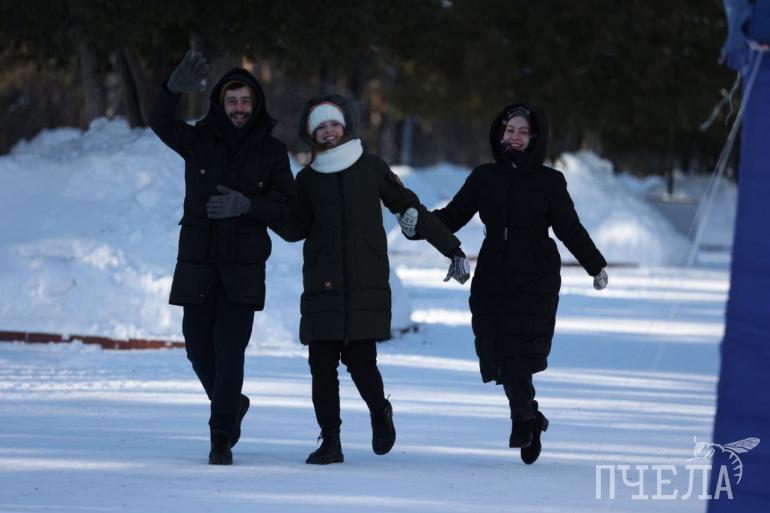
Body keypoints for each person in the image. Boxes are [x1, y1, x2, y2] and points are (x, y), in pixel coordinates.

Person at [401, 102, 608, 465]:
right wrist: (418, 227)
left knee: (517, 350)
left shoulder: (549, 182)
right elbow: (452, 216)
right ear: (500, 134)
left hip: (536, 273)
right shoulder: (484, 177)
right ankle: (531, 416)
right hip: (494, 269)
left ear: (535, 138)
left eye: (523, 132)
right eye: (510, 130)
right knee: (497, 352)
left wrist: (595, 265)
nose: (515, 137)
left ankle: (522, 420)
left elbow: (570, 229)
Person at [274, 94, 469, 465]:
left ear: (345, 126)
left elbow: (410, 208)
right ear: (311, 134)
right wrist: (266, 205)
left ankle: (380, 411)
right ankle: (331, 441)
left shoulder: (371, 167)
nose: (328, 132)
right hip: (323, 283)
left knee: (361, 361)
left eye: (333, 124)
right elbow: (294, 229)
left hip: (366, 280)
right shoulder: (307, 180)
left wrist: (452, 248)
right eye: (320, 127)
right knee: (321, 365)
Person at [149, 51, 295, 465]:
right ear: (220, 104)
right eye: (232, 101)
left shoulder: (273, 151)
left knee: (229, 350)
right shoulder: (198, 141)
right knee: (198, 348)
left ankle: (221, 436)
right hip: (198, 262)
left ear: (256, 104)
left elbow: (288, 209)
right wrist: (171, 89)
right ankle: (232, 404)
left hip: (243, 266)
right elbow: (159, 121)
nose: (239, 108)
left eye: (245, 101)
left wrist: (248, 205)